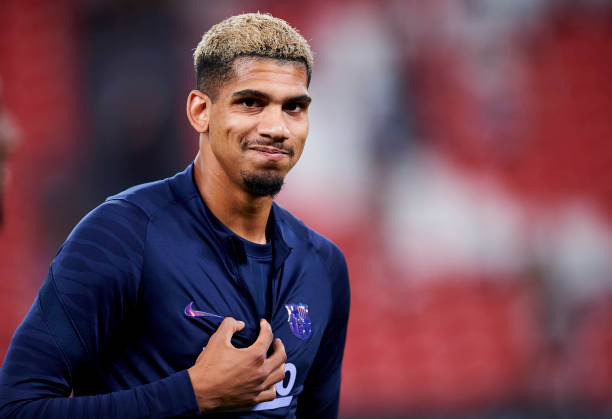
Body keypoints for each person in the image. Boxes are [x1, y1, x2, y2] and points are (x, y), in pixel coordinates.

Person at [0, 13, 350, 419]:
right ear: (201, 111)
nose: (277, 127)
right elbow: (17, 409)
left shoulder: (324, 266)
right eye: (251, 102)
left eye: (294, 108)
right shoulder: (119, 236)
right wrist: (192, 394)